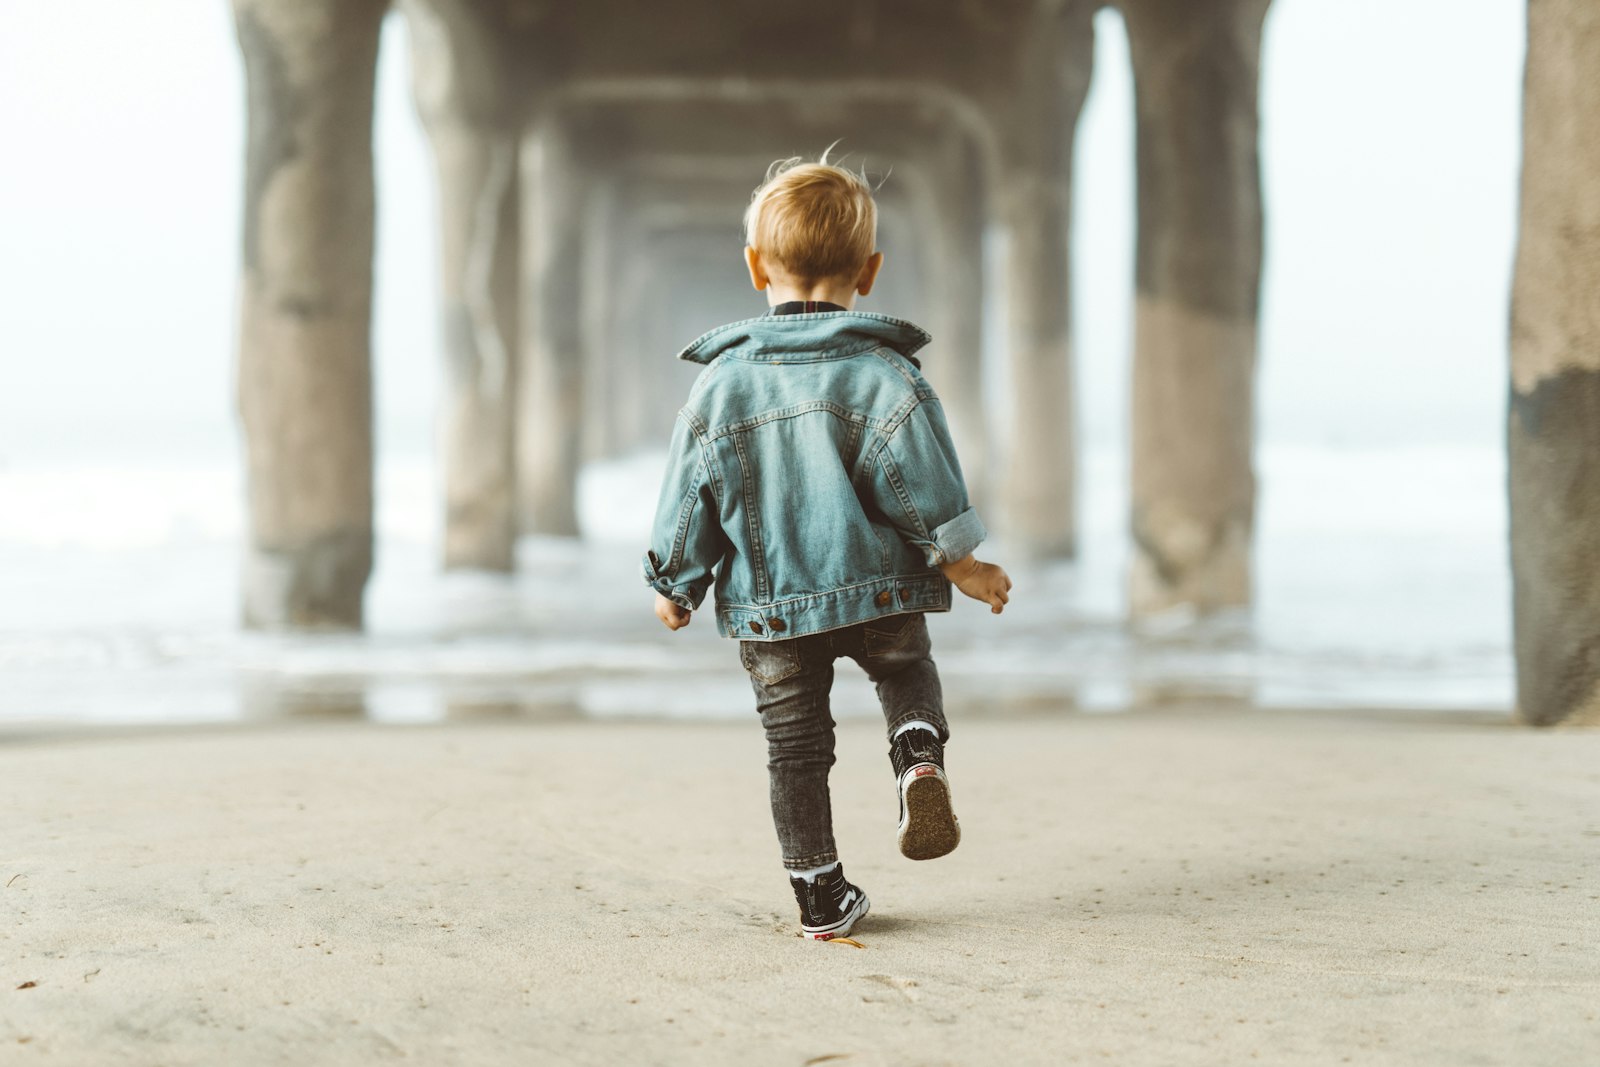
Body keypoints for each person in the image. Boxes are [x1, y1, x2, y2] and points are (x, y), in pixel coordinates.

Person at [641, 154, 1012, 941]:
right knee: (906, 671)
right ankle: (916, 756)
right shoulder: (887, 375)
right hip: (882, 590)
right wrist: (963, 563)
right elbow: (925, 486)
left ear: (753, 267)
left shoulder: (720, 387)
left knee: (796, 749)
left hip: (773, 610)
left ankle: (820, 894)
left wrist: (675, 581)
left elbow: (690, 495)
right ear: (869, 272)